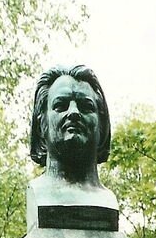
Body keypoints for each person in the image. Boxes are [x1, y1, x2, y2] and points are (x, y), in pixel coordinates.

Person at [29, 65, 118, 209]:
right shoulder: (39, 193)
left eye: (86, 106)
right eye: (60, 106)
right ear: (41, 124)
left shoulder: (108, 201)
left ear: (102, 124)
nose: (74, 112)